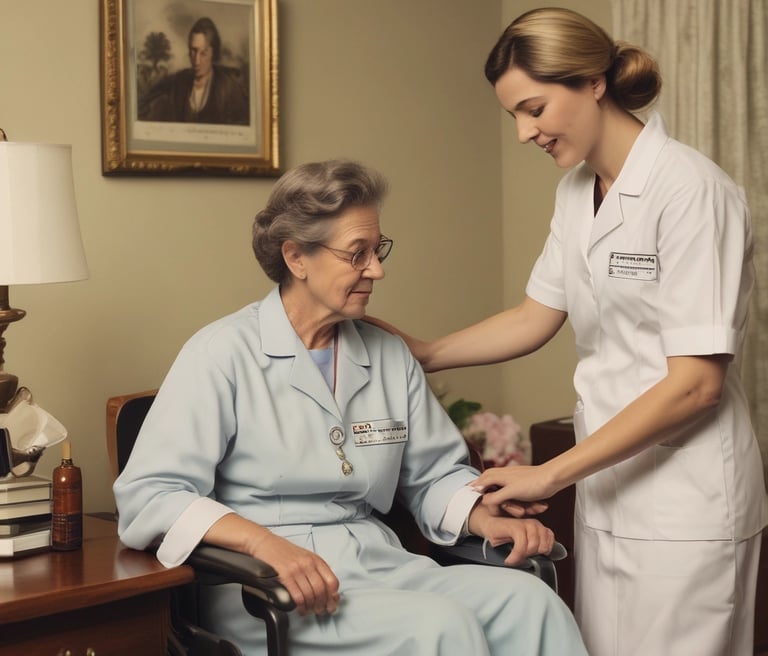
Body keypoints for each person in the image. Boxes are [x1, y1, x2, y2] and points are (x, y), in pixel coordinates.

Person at [366, 8, 768, 656]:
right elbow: (535, 316)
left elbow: (695, 386)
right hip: (609, 490)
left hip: (685, 502)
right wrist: (425, 352)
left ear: (591, 82)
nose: (525, 132)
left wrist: (550, 475)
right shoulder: (579, 191)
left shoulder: (691, 191)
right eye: (513, 117)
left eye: (534, 108)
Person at [113, 159, 588, 655]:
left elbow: (433, 473)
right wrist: (262, 543)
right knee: (439, 628)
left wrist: (482, 517)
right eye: (356, 254)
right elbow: (151, 495)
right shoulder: (220, 353)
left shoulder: (386, 353)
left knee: (532, 603)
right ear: (297, 257)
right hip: (269, 586)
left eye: (377, 250)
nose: (377, 270)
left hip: (378, 563)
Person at [138, 17, 249, 125]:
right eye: (193, 51)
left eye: (203, 53)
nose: (196, 60)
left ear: (213, 53)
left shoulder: (228, 88)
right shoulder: (178, 82)